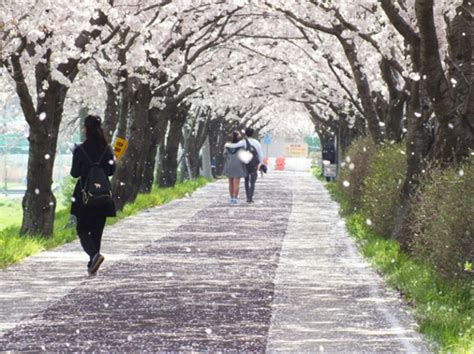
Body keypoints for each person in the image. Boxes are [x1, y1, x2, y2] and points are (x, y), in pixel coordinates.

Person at [70, 115, 116, 275]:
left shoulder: (80, 149)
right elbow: (111, 171)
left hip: (84, 195)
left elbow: (74, 173)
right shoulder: (107, 149)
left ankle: (94, 256)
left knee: (82, 229)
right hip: (102, 195)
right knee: (97, 230)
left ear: (86, 129)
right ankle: (93, 263)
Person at [225, 127, 263, 203]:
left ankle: (245, 195)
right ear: (253, 133)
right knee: (252, 182)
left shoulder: (243, 142)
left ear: (245, 133)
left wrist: (227, 145)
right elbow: (260, 154)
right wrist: (260, 164)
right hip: (254, 164)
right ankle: (250, 197)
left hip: (245, 164)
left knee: (246, 180)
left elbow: (233, 146)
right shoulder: (257, 142)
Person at [222, 131, 248, 205]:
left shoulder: (227, 146)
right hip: (238, 165)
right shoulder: (241, 147)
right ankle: (235, 198)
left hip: (229, 165)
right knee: (236, 183)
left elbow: (224, 155)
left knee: (230, 183)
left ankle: (231, 197)